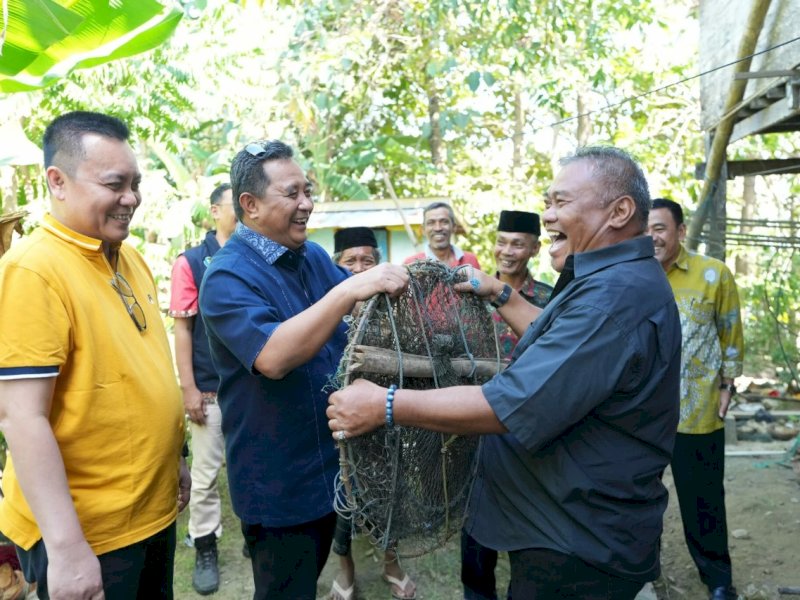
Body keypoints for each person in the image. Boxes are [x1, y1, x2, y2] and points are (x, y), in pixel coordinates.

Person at [328, 146, 682, 599]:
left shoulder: (611, 299)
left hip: (575, 544)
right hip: (565, 528)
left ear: (619, 211)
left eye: (560, 202)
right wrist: (500, 294)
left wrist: (386, 405)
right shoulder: (610, 282)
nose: (548, 215)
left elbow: (510, 402)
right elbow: (567, 350)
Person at [199, 140, 408, 599]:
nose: (307, 204)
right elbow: (273, 357)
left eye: (308, 192)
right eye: (292, 194)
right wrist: (349, 290)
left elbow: (360, 317)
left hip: (329, 468)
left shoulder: (311, 256)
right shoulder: (227, 276)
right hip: (279, 483)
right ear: (250, 205)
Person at [0, 111, 189, 599]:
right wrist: (66, 550)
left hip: (148, 513)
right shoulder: (34, 270)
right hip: (90, 533)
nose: (131, 199)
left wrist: (176, 458)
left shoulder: (128, 257)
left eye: (135, 183)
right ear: (57, 182)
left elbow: (141, 372)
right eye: (114, 184)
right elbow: (21, 418)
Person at [647, 198, 744, 600]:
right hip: (643, 416)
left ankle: (718, 579)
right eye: (646, 229)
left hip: (697, 413)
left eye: (660, 228)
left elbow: (730, 332)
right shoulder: (633, 278)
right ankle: (643, 573)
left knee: (703, 500)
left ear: (681, 231)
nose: (652, 237)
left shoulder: (713, 274)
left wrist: (728, 385)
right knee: (638, 501)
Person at [461, 209, 553, 600]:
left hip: (525, 436)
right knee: (475, 545)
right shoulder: (468, 294)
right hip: (473, 428)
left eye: (517, 243)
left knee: (527, 541)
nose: (507, 251)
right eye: (501, 242)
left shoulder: (551, 299)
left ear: (534, 247)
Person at [329, 227, 417, 600]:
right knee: (341, 500)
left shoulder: (393, 312)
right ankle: (345, 571)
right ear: (337, 265)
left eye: (368, 260)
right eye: (351, 261)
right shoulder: (327, 309)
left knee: (389, 490)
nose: (360, 267)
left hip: (383, 421)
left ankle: (391, 563)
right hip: (336, 424)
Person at [169, 183, 238, 595]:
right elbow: (182, 329)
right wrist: (189, 389)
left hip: (253, 389)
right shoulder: (192, 262)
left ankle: (257, 535)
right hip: (210, 390)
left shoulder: (258, 254)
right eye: (235, 203)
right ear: (215, 211)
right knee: (207, 475)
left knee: (254, 466)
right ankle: (205, 546)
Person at [404, 201, 480, 269]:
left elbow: (478, 284)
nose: (438, 228)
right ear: (423, 230)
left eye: (444, 222)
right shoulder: (411, 265)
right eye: (431, 223)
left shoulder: (470, 261)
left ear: (454, 227)